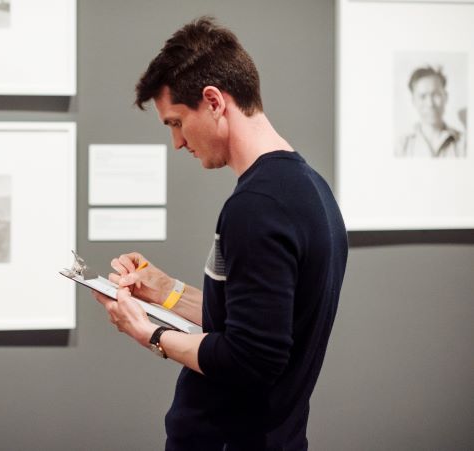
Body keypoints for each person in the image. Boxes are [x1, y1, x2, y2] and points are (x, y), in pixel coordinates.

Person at [92, 17, 348, 450]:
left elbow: (251, 358)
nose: (177, 143)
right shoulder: (309, 190)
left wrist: (148, 333)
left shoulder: (257, 208)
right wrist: (165, 291)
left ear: (213, 101)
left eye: (175, 122)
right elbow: (250, 321)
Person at [396, 65, 466, 158]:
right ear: (414, 101)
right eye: (423, 96)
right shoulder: (402, 146)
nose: (430, 104)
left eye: (436, 94)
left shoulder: (465, 143)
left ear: (446, 96)